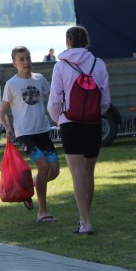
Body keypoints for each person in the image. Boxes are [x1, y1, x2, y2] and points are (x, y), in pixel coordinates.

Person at [47, 25, 111, 236]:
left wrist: (59, 119)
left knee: (77, 174)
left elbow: (55, 100)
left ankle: (86, 221)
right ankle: (85, 218)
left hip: (70, 123)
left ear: (68, 42)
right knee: (89, 172)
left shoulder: (61, 66)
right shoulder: (98, 63)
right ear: (86, 41)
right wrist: (96, 113)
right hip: (93, 123)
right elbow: (105, 99)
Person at [0, 46, 60, 223]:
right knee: (43, 167)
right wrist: (8, 128)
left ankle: (25, 188)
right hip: (25, 134)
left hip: (43, 131)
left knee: (54, 171)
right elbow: (2, 112)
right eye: (21, 59)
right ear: (14, 63)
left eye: (28, 58)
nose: (26, 62)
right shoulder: (11, 84)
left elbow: (54, 98)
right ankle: (43, 212)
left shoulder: (40, 79)